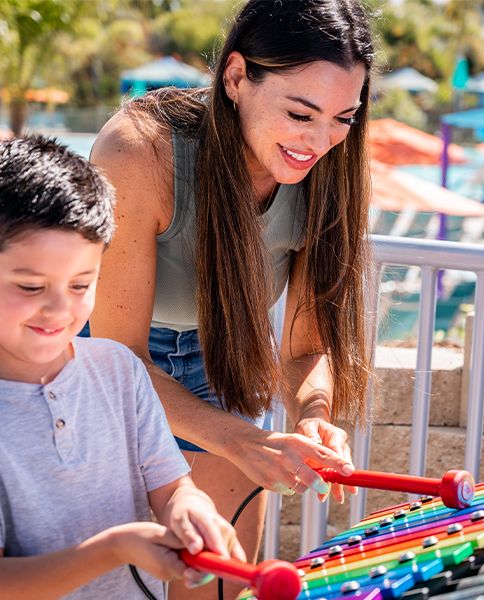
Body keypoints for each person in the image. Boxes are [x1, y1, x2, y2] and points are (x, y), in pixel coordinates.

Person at [90, 1, 374, 596]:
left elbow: (304, 348)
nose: (320, 142)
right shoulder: (142, 150)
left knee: (219, 584)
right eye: (301, 113)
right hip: (101, 365)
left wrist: (314, 416)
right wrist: (244, 437)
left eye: (343, 118)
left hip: (222, 359)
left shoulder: (330, 173)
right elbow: (120, 356)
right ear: (238, 77)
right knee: (107, 582)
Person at [0, 136, 246, 599]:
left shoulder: (119, 370)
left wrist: (191, 510)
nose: (59, 309)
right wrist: (115, 549)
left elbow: (171, 486)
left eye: (80, 284)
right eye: (31, 287)